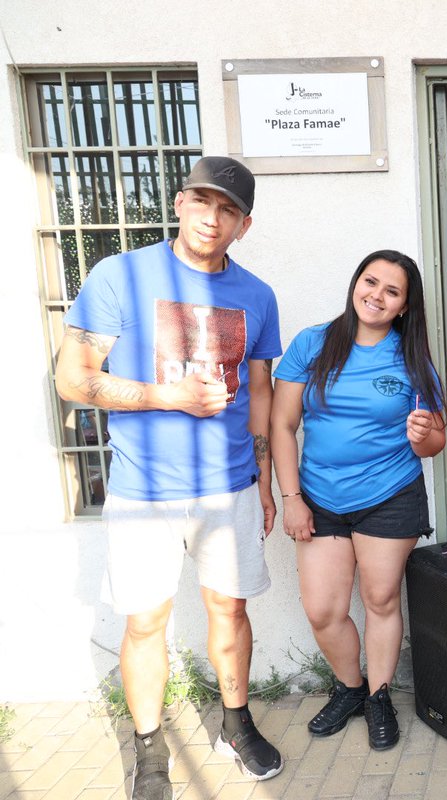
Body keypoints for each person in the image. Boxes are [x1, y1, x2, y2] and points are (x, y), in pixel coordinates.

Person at [54, 156, 283, 797]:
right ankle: (151, 751)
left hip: (231, 484)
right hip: (142, 489)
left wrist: (263, 481)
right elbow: (71, 379)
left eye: (229, 209)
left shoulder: (257, 295)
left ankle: (236, 724)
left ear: (244, 224)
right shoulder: (119, 275)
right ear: (180, 202)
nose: (214, 218)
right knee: (146, 622)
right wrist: (166, 396)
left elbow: (259, 394)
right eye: (203, 202)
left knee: (229, 609)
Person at [271, 250, 446, 751]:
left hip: (389, 495)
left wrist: (422, 435)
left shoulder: (410, 357)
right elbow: (282, 426)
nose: (377, 295)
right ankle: (350, 688)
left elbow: (437, 440)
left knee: (381, 600)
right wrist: (292, 498)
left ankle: (379, 695)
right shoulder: (314, 342)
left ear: (404, 306)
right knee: (323, 610)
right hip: (319, 497)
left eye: (392, 291)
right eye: (371, 282)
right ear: (356, 284)